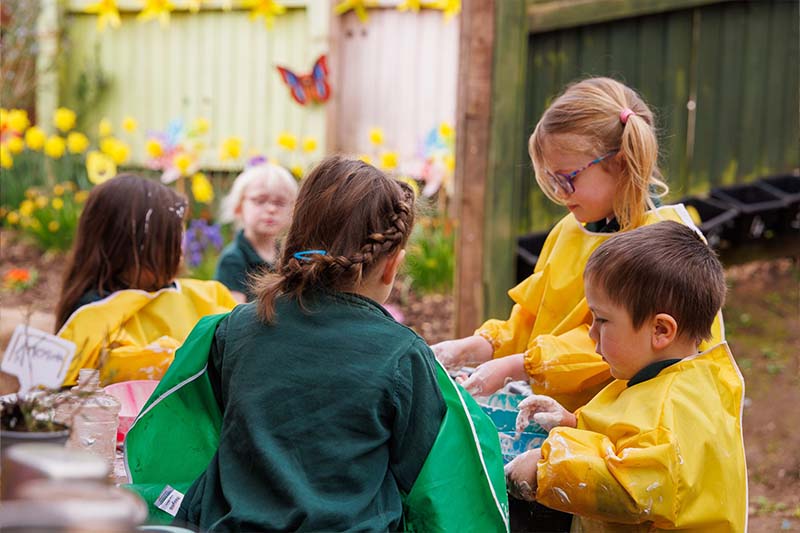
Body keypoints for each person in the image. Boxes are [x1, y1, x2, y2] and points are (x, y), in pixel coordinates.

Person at [124, 157, 508, 532]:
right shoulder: (403, 356)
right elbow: (452, 486)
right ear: (392, 265)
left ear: (293, 236)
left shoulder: (230, 331)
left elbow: (176, 433)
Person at [433, 77, 724, 411]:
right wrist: (476, 346)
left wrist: (521, 367)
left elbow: (611, 345)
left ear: (620, 162)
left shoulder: (659, 248)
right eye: (551, 179)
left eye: (567, 179)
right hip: (565, 421)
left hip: (626, 429)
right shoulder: (569, 230)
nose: (559, 193)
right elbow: (532, 318)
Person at [504, 221, 747, 532]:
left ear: (660, 330)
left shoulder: (670, 414)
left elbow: (626, 488)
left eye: (602, 320)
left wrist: (544, 468)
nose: (591, 333)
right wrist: (571, 422)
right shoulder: (665, 375)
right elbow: (625, 434)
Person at [55, 174, 237, 386]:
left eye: (181, 230)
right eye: (172, 233)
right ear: (127, 244)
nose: (181, 242)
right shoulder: (93, 316)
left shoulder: (209, 295)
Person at [214, 162, 298, 303]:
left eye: (280, 203)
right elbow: (231, 313)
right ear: (239, 206)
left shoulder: (286, 255)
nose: (271, 209)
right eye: (260, 201)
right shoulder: (233, 260)